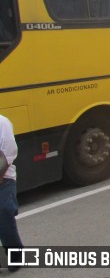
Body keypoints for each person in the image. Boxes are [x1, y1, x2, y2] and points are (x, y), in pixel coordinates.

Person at [0, 114, 23, 272]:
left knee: (4, 214)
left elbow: (9, 151)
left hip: (3, 177)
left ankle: (16, 256)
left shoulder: (2, 122)